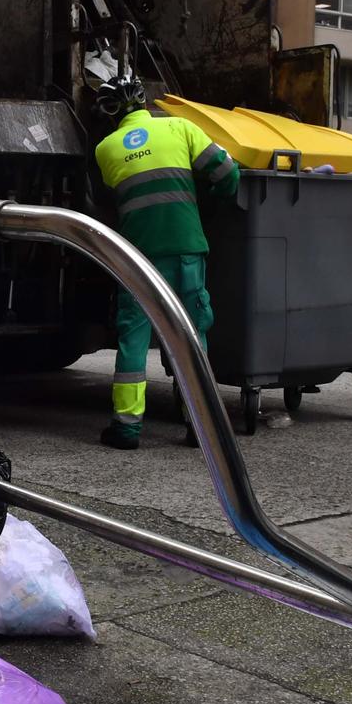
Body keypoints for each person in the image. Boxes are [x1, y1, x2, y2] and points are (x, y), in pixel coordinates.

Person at [91, 74, 241, 449]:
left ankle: (126, 428)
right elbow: (227, 172)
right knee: (191, 335)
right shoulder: (180, 127)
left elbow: (111, 201)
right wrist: (208, 203)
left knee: (134, 338)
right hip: (186, 248)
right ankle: (199, 425)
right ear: (144, 102)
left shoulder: (105, 149)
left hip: (137, 255)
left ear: (110, 114)